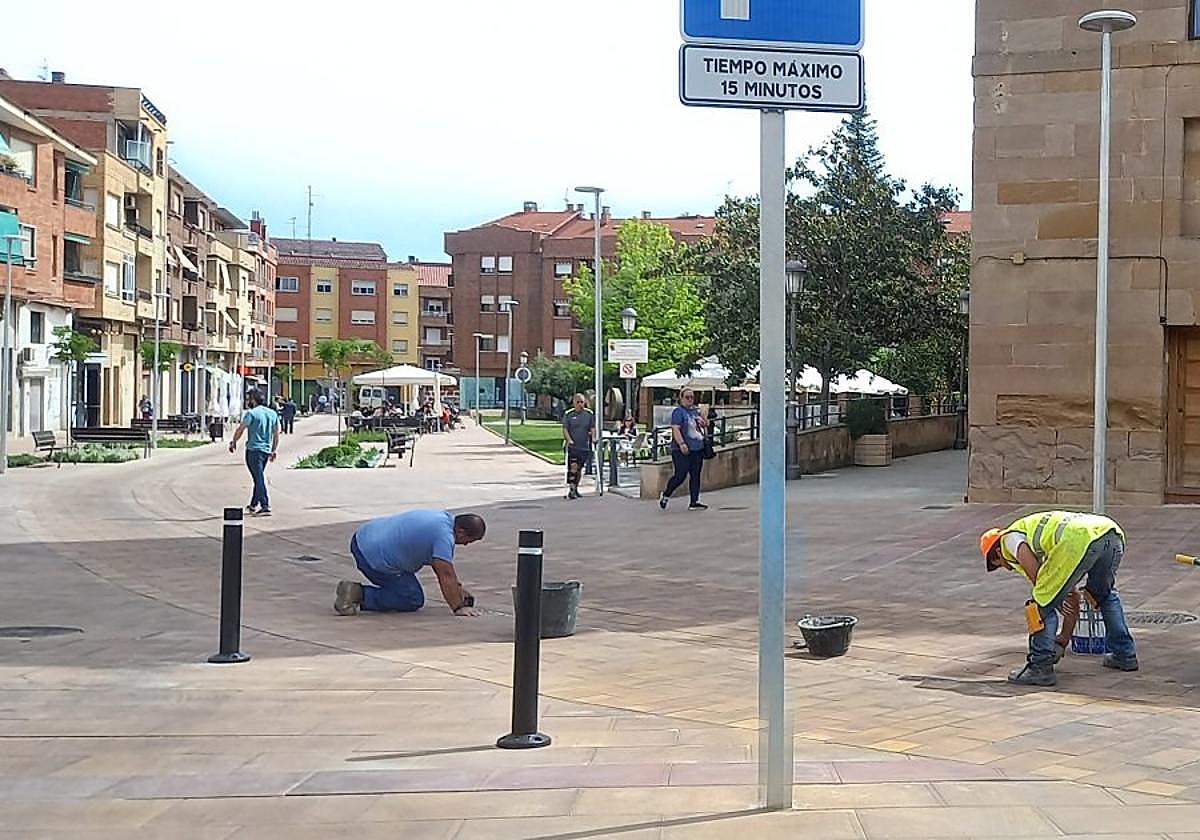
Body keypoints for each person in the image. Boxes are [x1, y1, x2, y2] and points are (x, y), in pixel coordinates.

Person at [981, 511, 1138, 686]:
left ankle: (1039, 667)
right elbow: (1072, 598)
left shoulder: (1008, 539)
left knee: (1038, 607)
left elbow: (1039, 581)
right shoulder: (1045, 548)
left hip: (1077, 539)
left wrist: (1051, 598)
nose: (1004, 567)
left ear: (997, 552)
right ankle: (1124, 654)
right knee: (1103, 595)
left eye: (997, 563)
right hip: (1110, 532)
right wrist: (1063, 640)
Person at [333, 510, 487, 616]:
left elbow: (441, 567)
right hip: (373, 557)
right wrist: (458, 607)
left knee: (407, 580)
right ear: (460, 531)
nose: (466, 545)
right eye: (469, 540)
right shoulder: (444, 538)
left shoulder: (442, 517)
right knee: (412, 598)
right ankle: (358, 593)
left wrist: (458, 589)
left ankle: (358, 593)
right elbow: (445, 574)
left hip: (362, 537)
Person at [229, 390, 280, 516]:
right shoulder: (272, 414)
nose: (247, 402)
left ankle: (265, 505)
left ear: (253, 399)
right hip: (266, 451)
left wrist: (234, 442)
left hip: (253, 450)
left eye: (248, 399)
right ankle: (253, 504)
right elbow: (276, 433)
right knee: (259, 477)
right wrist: (273, 450)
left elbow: (241, 429)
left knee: (258, 478)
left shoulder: (251, 413)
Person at [659, 388, 709, 511]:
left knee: (695, 475)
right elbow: (675, 428)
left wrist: (704, 417)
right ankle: (666, 493)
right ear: (681, 398)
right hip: (681, 449)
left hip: (697, 448)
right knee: (681, 474)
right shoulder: (678, 412)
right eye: (687, 397)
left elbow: (704, 425)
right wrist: (681, 443)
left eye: (692, 397)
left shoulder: (695, 412)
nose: (690, 400)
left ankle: (694, 501)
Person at [562, 393, 596, 500]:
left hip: (584, 445)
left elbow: (592, 428)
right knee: (573, 467)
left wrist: (594, 438)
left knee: (579, 469)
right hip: (573, 446)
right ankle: (571, 489)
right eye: (578, 402)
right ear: (574, 403)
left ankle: (575, 488)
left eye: (582, 402)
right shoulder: (569, 414)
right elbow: (565, 429)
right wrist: (569, 440)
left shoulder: (589, 414)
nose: (580, 404)